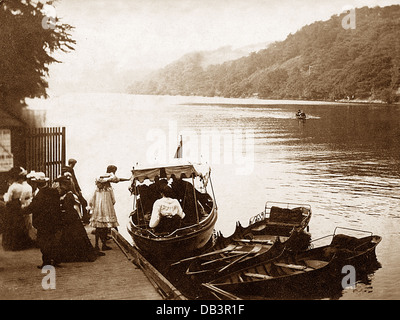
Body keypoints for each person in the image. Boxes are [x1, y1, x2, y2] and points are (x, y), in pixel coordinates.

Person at [55, 175, 101, 262]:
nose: (59, 188)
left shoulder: (69, 195)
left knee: (71, 235)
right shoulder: (69, 194)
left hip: (70, 217)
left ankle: (73, 255)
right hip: (72, 217)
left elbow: (67, 207)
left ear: (64, 186)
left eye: (61, 185)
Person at [89, 165, 129, 251]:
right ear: (112, 170)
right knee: (104, 225)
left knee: (98, 225)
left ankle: (97, 245)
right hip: (105, 201)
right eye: (115, 171)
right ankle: (102, 244)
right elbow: (116, 179)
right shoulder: (109, 177)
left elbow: (116, 179)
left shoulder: (101, 177)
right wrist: (128, 179)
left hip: (99, 202)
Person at [29, 172, 63, 268]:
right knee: (53, 240)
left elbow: (32, 207)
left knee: (43, 242)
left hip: (43, 223)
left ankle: (46, 262)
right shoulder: (54, 191)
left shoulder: (39, 195)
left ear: (37, 184)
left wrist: (20, 210)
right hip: (54, 221)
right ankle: (56, 259)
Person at [2, 167, 34, 251]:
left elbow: (8, 199)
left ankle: (11, 244)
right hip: (17, 205)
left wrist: (5, 198)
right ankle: (20, 243)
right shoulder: (22, 187)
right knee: (19, 224)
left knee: (11, 224)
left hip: (12, 206)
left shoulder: (12, 187)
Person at [62, 159, 90, 224]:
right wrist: (78, 190)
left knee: (80, 203)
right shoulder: (70, 170)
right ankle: (84, 219)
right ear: (73, 164)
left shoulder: (64, 170)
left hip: (71, 190)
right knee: (83, 202)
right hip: (74, 190)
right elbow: (74, 181)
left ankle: (81, 218)